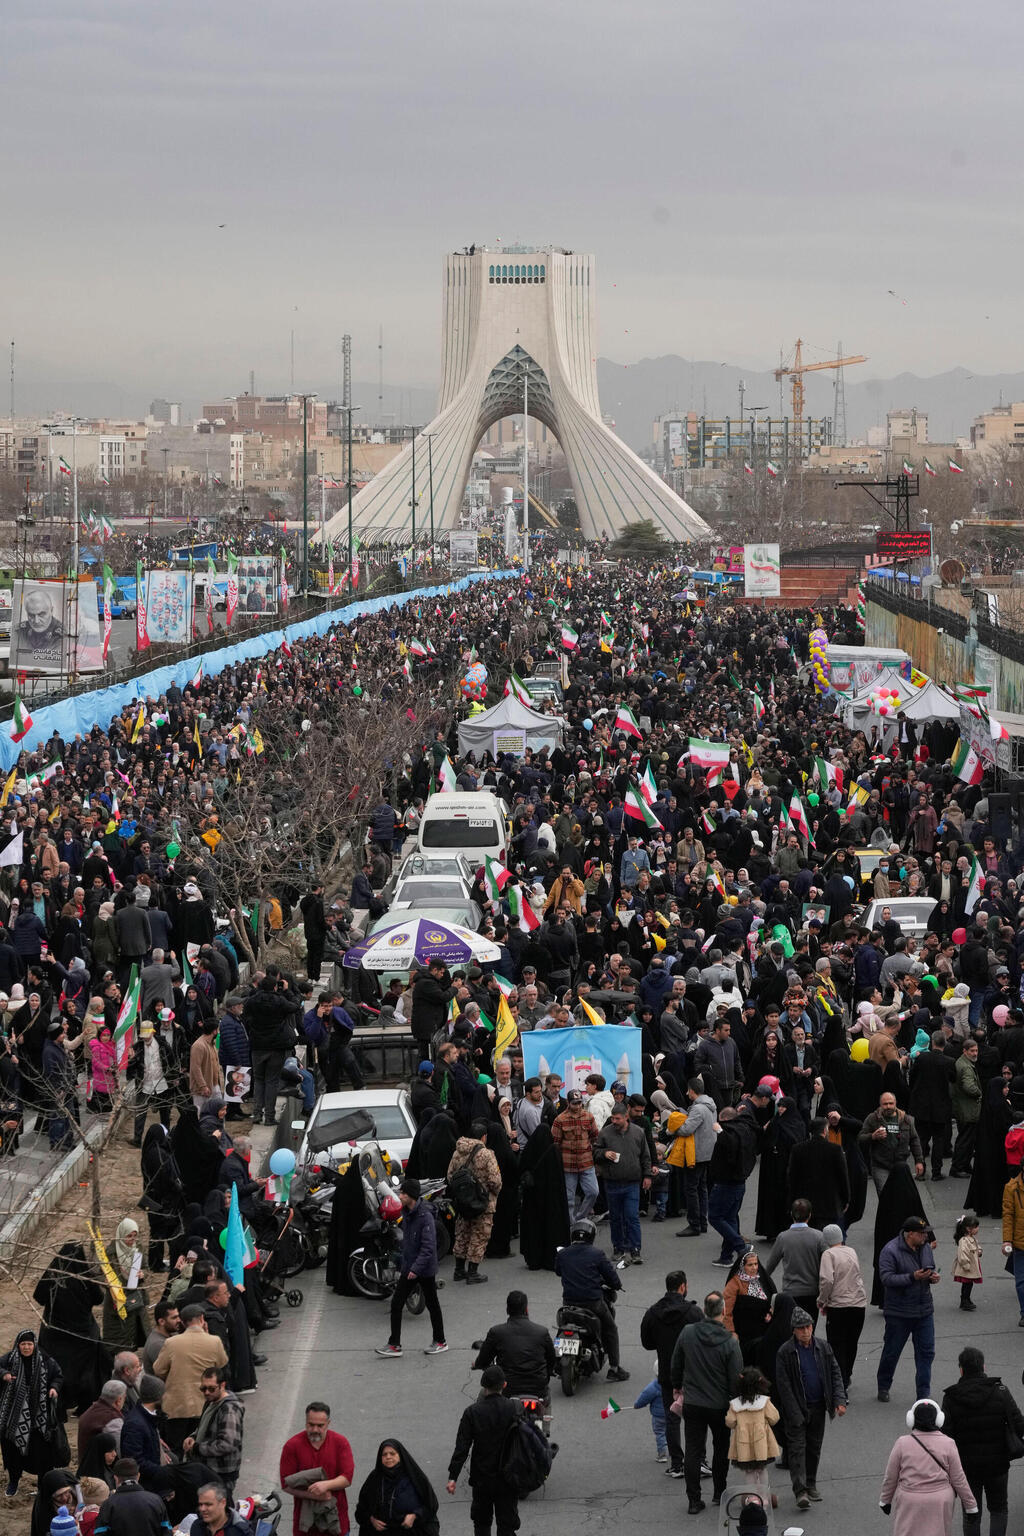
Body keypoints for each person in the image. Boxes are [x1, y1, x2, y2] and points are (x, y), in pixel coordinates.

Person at [671, 1290, 743, 1515]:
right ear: (723, 1311)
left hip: (693, 1403)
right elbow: (736, 1377)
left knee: (693, 1450)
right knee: (721, 1449)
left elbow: (676, 1363)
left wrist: (677, 1384)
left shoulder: (688, 1333)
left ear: (703, 1310)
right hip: (720, 1405)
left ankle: (694, 1500)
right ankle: (719, 1492)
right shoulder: (730, 1342)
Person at [941, 1346, 1024, 1536]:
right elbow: (1019, 1425)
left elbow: (945, 1436)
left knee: (971, 1512)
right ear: (983, 1367)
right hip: (998, 1465)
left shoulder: (951, 1398)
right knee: (998, 1509)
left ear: (961, 1369)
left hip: (967, 1468)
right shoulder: (1001, 1391)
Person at [774, 1306, 846, 1511]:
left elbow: (835, 1374)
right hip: (796, 1410)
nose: (806, 1331)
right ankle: (800, 1491)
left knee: (814, 1448)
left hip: (818, 1406)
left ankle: (811, 1484)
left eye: (808, 1327)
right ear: (794, 1331)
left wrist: (839, 1400)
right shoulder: (785, 1352)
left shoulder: (823, 1347)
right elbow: (784, 1386)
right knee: (797, 1450)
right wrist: (795, 1413)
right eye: (801, 1328)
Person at [878, 1399, 977, 1536]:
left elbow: (891, 1476)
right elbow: (958, 1478)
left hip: (910, 1500)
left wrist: (885, 1500)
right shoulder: (948, 1443)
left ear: (911, 1420)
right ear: (938, 1420)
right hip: (940, 1500)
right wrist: (970, 1506)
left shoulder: (902, 1443)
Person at [374, 1177, 447, 1358]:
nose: (400, 1196)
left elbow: (428, 1247)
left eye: (403, 1193)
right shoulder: (407, 1212)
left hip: (422, 1269)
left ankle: (440, 1341)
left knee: (432, 1304)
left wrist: (415, 1269)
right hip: (410, 1266)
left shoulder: (425, 1217)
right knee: (397, 1303)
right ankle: (394, 1344)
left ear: (411, 1196)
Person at [640, 1269, 702, 1479]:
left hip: (667, 1374)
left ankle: (678, 1463)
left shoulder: (652, 1312)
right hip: (693, 1374)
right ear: (683, 1287)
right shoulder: (693, 1312)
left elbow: (647, 1343)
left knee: (671, 1418)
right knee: (695, 1419)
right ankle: (699, 1460)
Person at [447, 1364, 522, 1536]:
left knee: (481, 1523)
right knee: (507, 1525)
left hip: (482, 1479)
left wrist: (453, 1477)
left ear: (483, 1386)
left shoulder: (472, 1413)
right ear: (504, 1385)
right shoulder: (515, 1408)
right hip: (508, 1478)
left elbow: (462, 1447)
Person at [553, 1218, 628, 1382]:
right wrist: (616, 1284)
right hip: (593, 1304)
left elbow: (558, 1271)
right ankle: (615, 1368)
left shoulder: (563, 1254)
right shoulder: (597, 1254)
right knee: (611, 1329)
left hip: (568, 1304)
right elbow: (613, 1280)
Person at [876, 1214, 939, 1403]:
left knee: (926, 1352)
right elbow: (886, 1278)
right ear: (909, 1234)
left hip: (924, 1310)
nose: (926, 1237)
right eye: (922, 1234)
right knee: (892, 1351)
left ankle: (923, 1394)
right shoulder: (890, 1250)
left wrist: (932, 1277)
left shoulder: (925, 1247)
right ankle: (884, 1385)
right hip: (899, 1313)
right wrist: (912, 1277)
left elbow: (930, 1268)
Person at [152, 1303, 229, 1452]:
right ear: (201, 1318)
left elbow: (158, 1369)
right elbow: (221, 1363)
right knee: (201, 1445)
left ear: (183, 1321)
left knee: (177, 1447)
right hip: (205, 1403)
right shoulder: (214, 1341)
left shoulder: (171, 1343)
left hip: (177, 1405)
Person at [0, 1328, 62, 1495]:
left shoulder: (46, 1360)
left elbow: (58, 1376)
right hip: (13, 1419)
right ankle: (13, 1482)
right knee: (13, 1454)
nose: (26, 1347)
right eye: (23, 1344)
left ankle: (43, 1486)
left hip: (39, 1419)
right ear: (17, 1345)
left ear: (34, 1344)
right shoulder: (9, 1359)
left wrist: (54, 1388)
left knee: (43, 1456)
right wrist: (4, 1374)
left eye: (29, 1344)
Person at [280, 1401, 355, 1536]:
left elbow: (347, 1478)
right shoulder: (292, 1446)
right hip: (306, 1527)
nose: (315, 1429)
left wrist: (326, 1485)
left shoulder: (340, 1443)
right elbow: (285, 1484)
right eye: (311, 1425)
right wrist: (313, 1495)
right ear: (305, 1422)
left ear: (328, 1423)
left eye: (320, 1426)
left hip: (336, 1522)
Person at [594, 1103, 652, 1263]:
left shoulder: (638, 1133)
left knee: (632, 1217)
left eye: (617, 1118)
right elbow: (595, 1152)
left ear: (626, 1117)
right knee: (616, 1218)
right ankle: (618, 1249)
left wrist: (647, 1176)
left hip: (632, 1183)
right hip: (612, 1183)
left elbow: (645, 1156)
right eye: (612, 1118)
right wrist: (605, 1153)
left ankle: (635, 1250)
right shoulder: (605, 1133)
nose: (614, 1121)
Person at [473, 1290, 555, 1400]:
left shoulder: (496, 1332)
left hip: (508, 1389)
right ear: (526, 1309)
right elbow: (551, 1360)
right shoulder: (542, 1332)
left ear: (507, 1310)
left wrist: (477, 1365)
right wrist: (546, 1376)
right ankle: (546, 1416)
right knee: (546, 1399)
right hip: (538, 1388)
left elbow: (483, 1361)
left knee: (484, 1394)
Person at [448, 1121, 502, 1285]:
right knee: (479, 1235)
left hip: (463, 1202)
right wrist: (491, 1193)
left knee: (462, 1233)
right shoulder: (487, 1154)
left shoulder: (458, 1152)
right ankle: (473, 1272)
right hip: (482, 1202)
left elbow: (450, 1176)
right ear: (484, 1137)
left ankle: (459, 1270)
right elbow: (495, 1180)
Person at [816, 1225, 866, 1391]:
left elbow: (827, 1280)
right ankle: (847, 1375)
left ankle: (840, 1383)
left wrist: (822, 1300)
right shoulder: (851, 1251)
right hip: (858, 1304)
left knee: (837, 1345)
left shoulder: (828, 1255)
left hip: (838, 1305)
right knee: (852, 1343)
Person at [355, 1439, 439, 1536]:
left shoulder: (414, 1477)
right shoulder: (374, 1478)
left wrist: (415, 1515)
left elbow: (431, 1505)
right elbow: (362, 1507)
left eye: (392, 1453)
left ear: (400, 1456)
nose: (388, 1457)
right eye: (384, 1454)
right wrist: (371, 1519)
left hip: (410, 1531)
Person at [184, 1367, 244, 1500]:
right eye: (203, 1388)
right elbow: (204, 1426)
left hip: (220, 1474)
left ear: (222, 1385)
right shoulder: (211, 1402)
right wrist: (193, 1437)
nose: (206, 1392)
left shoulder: (229, 1410)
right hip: (209, 1469)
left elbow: (227, 1444)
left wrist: (197, 1447)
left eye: (211, 1388)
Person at [725, 1365, 781, 1509]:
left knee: (749, 1471)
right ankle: (764, 1496)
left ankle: (752, 1497)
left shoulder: (735, 1404)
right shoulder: (764, 1402)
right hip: (761, 1443)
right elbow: (774, 1418)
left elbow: (730, 1422)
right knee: (762, 1469)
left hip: (744, 1445)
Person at [670, 1077, 718, 1238]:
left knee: (691, 1188)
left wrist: (673, 1128)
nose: (686, 1093)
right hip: (708, 1152)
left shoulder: (698, 1109)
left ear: (692, 1091)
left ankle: (694, 1224)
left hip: (696, 1153)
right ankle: (702, 1222)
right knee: (701, 1188)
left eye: (688, 1090)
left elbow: (686, 1129)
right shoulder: (711, 1106)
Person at [764, 1200, 826, 1321]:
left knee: (792, 1329)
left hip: (790, 1293)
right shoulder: (819, 1236)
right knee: (809, 1329)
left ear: (791, 1214)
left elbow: (769, 1266)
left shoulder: (783, 1237)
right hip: (812, 1292)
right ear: (810, 1215)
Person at [859, 1091, 925, 1194]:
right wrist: (872, 1136)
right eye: (885, 1104)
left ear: (895, 1103)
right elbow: (860, 1138)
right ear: (880, 1105)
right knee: (885, 1196)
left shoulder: (906, 1119)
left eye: (891, 1103)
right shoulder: (872, 1118)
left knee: (900, 1197)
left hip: (900, 1164)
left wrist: (919, 1161)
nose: (888, 1106)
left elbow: (914, 1140)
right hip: (880, 1166)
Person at [92, 1456, 173, 1535]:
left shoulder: (108, 1505)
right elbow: (167, 1531)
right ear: (138, 1476)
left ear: (116, 1478)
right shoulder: (156, 1500)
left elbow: (100, 1533)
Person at [551, 1088, 599, 1219]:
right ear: (568, 1102)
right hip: (568, 1164)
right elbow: (555, 1143)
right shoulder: (560, 1120)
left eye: (579, 1103)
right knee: (568, 1198)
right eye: (574, 1103)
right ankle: (571, 1226)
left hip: (587, 1162)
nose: (577, 1106)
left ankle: (580, 1217)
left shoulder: (589, 1117)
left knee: (593, 1192)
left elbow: (595, 1136)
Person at [723, 1251, 777, 1366]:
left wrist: (771, 1313)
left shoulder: (762, 1280)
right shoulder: (735, 1283)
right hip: (745, 1333)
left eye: (756, 1264)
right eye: (750, 1265)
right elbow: (727, 1311)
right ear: (743, 1266)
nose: (754, 1268)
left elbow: (773, 1299)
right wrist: (731, 1331)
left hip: (764, 1331)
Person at [952, 1212, 982, 1312]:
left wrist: (979, 1251)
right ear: (969, 1229)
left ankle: (966, 1299)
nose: (978, 1229)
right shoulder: (964, 1240)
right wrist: (966, 1265)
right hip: (967, 1266)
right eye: (976, 1227)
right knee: (967, 1284)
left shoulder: (971, 1238)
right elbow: (962, 1254)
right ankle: (964, 1300)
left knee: (969, 1284)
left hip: (970, 1265)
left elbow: (976, 1247)